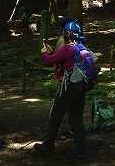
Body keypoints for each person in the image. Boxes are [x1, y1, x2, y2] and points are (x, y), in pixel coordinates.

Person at [34, 21, 89, 157]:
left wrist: (45, 53)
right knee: (76, 117)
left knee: (56, 115)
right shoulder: (82, 47)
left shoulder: (67, 48)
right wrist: (53, 53)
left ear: (67, 33)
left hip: (68, 87)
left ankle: (48, 145)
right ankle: (80, 148)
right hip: (81, 87)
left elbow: (49, 60)